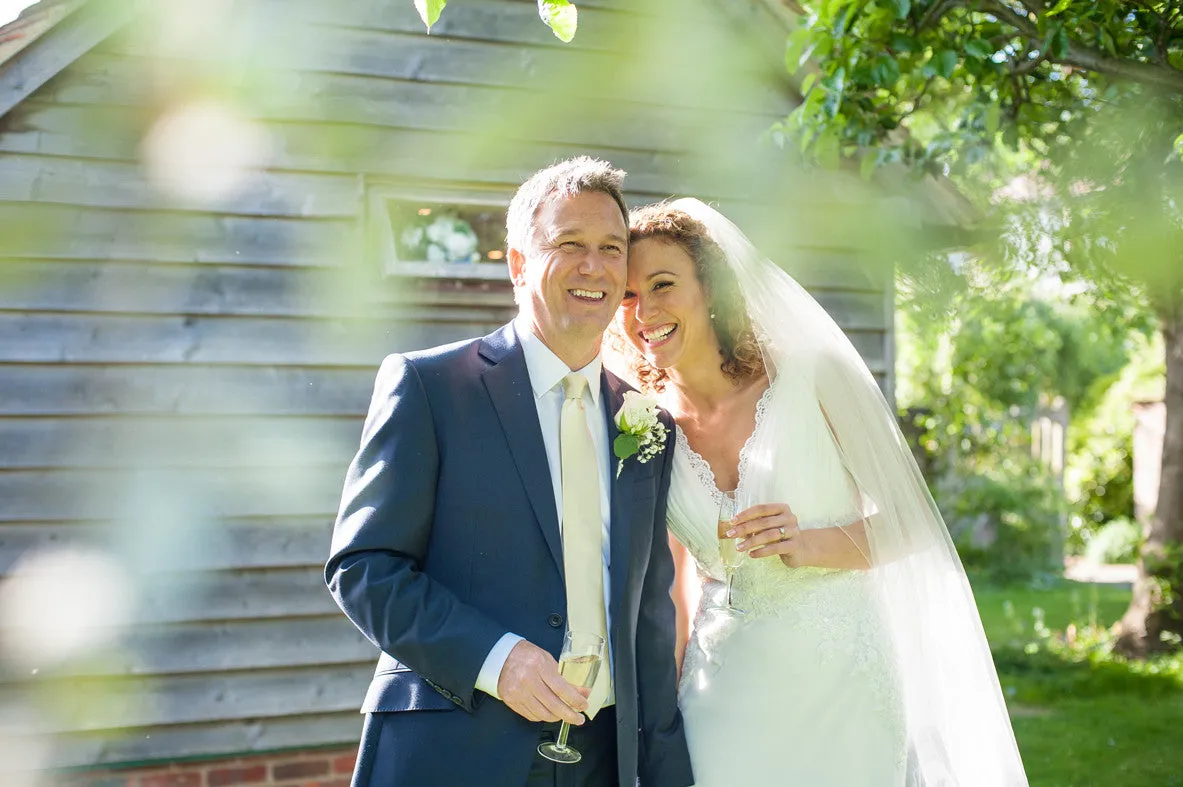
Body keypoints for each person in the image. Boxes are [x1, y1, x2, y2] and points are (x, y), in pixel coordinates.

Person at [607, 198, 1029, 786]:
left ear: (713, 290)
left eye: (662, 284)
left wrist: (809, 544)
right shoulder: (644, 425)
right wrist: (664, 714)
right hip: (719, 685)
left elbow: (914, 525)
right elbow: (672, 581)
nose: (643, 310)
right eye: (627, 296)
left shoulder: (812, 376)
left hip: (841, 680)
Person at [325, 157, 693, 787]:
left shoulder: (648, 424)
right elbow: (363, 569)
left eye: (610, 248)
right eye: (568, 244)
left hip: (600, 762)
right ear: (518, 263)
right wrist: (498, 661)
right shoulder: (430, 386)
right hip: (453, 752)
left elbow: (649, 621)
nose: (593, 266)